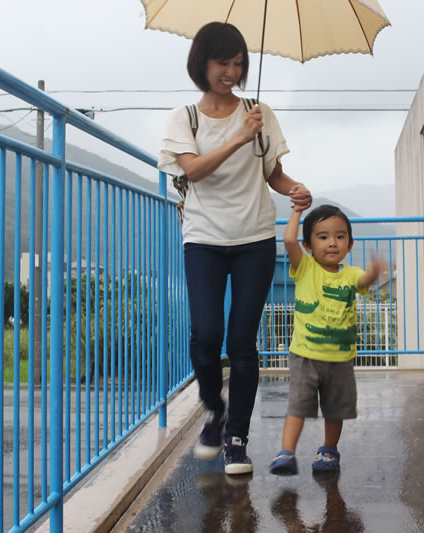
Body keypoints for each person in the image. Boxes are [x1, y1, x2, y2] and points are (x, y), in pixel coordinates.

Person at [157, 21, 312, 475]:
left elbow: (272, 174)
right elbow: (195, 170)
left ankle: (237, 440)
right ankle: (214, 409)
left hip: (254, 239)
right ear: (201, 64)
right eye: (222, 61)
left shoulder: (259, 112)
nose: (231, 70)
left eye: (238, 62)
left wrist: (294, 188)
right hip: (203, 237)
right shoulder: (183, 119)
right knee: (205, 336)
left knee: (241, 342)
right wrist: (238, 137)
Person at [270, 205, 387, 475]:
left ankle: (328, 451)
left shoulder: (350, 274)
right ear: (308, 245)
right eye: (322, 237)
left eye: (340, 236)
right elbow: (288, 240)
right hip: (305, 355)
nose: (332, 243)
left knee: (335, 409)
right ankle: (286, 452)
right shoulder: (305, 267)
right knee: (298, 404)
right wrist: (297, 210)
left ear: (350, 244)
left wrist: (374, 271)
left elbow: (364, 280)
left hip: (340, 358)